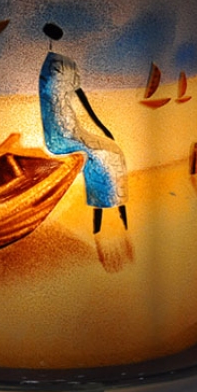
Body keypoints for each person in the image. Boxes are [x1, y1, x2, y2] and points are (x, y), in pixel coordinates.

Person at [38, 23, 128, 234]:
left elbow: (82, 97)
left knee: (113, 152)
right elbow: (52, 104)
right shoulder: (50, 69)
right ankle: (101, 218)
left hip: (73, 127)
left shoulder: (68, 65)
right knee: (104, 156)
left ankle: (119, 215)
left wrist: (101, 126)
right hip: (60, 134)